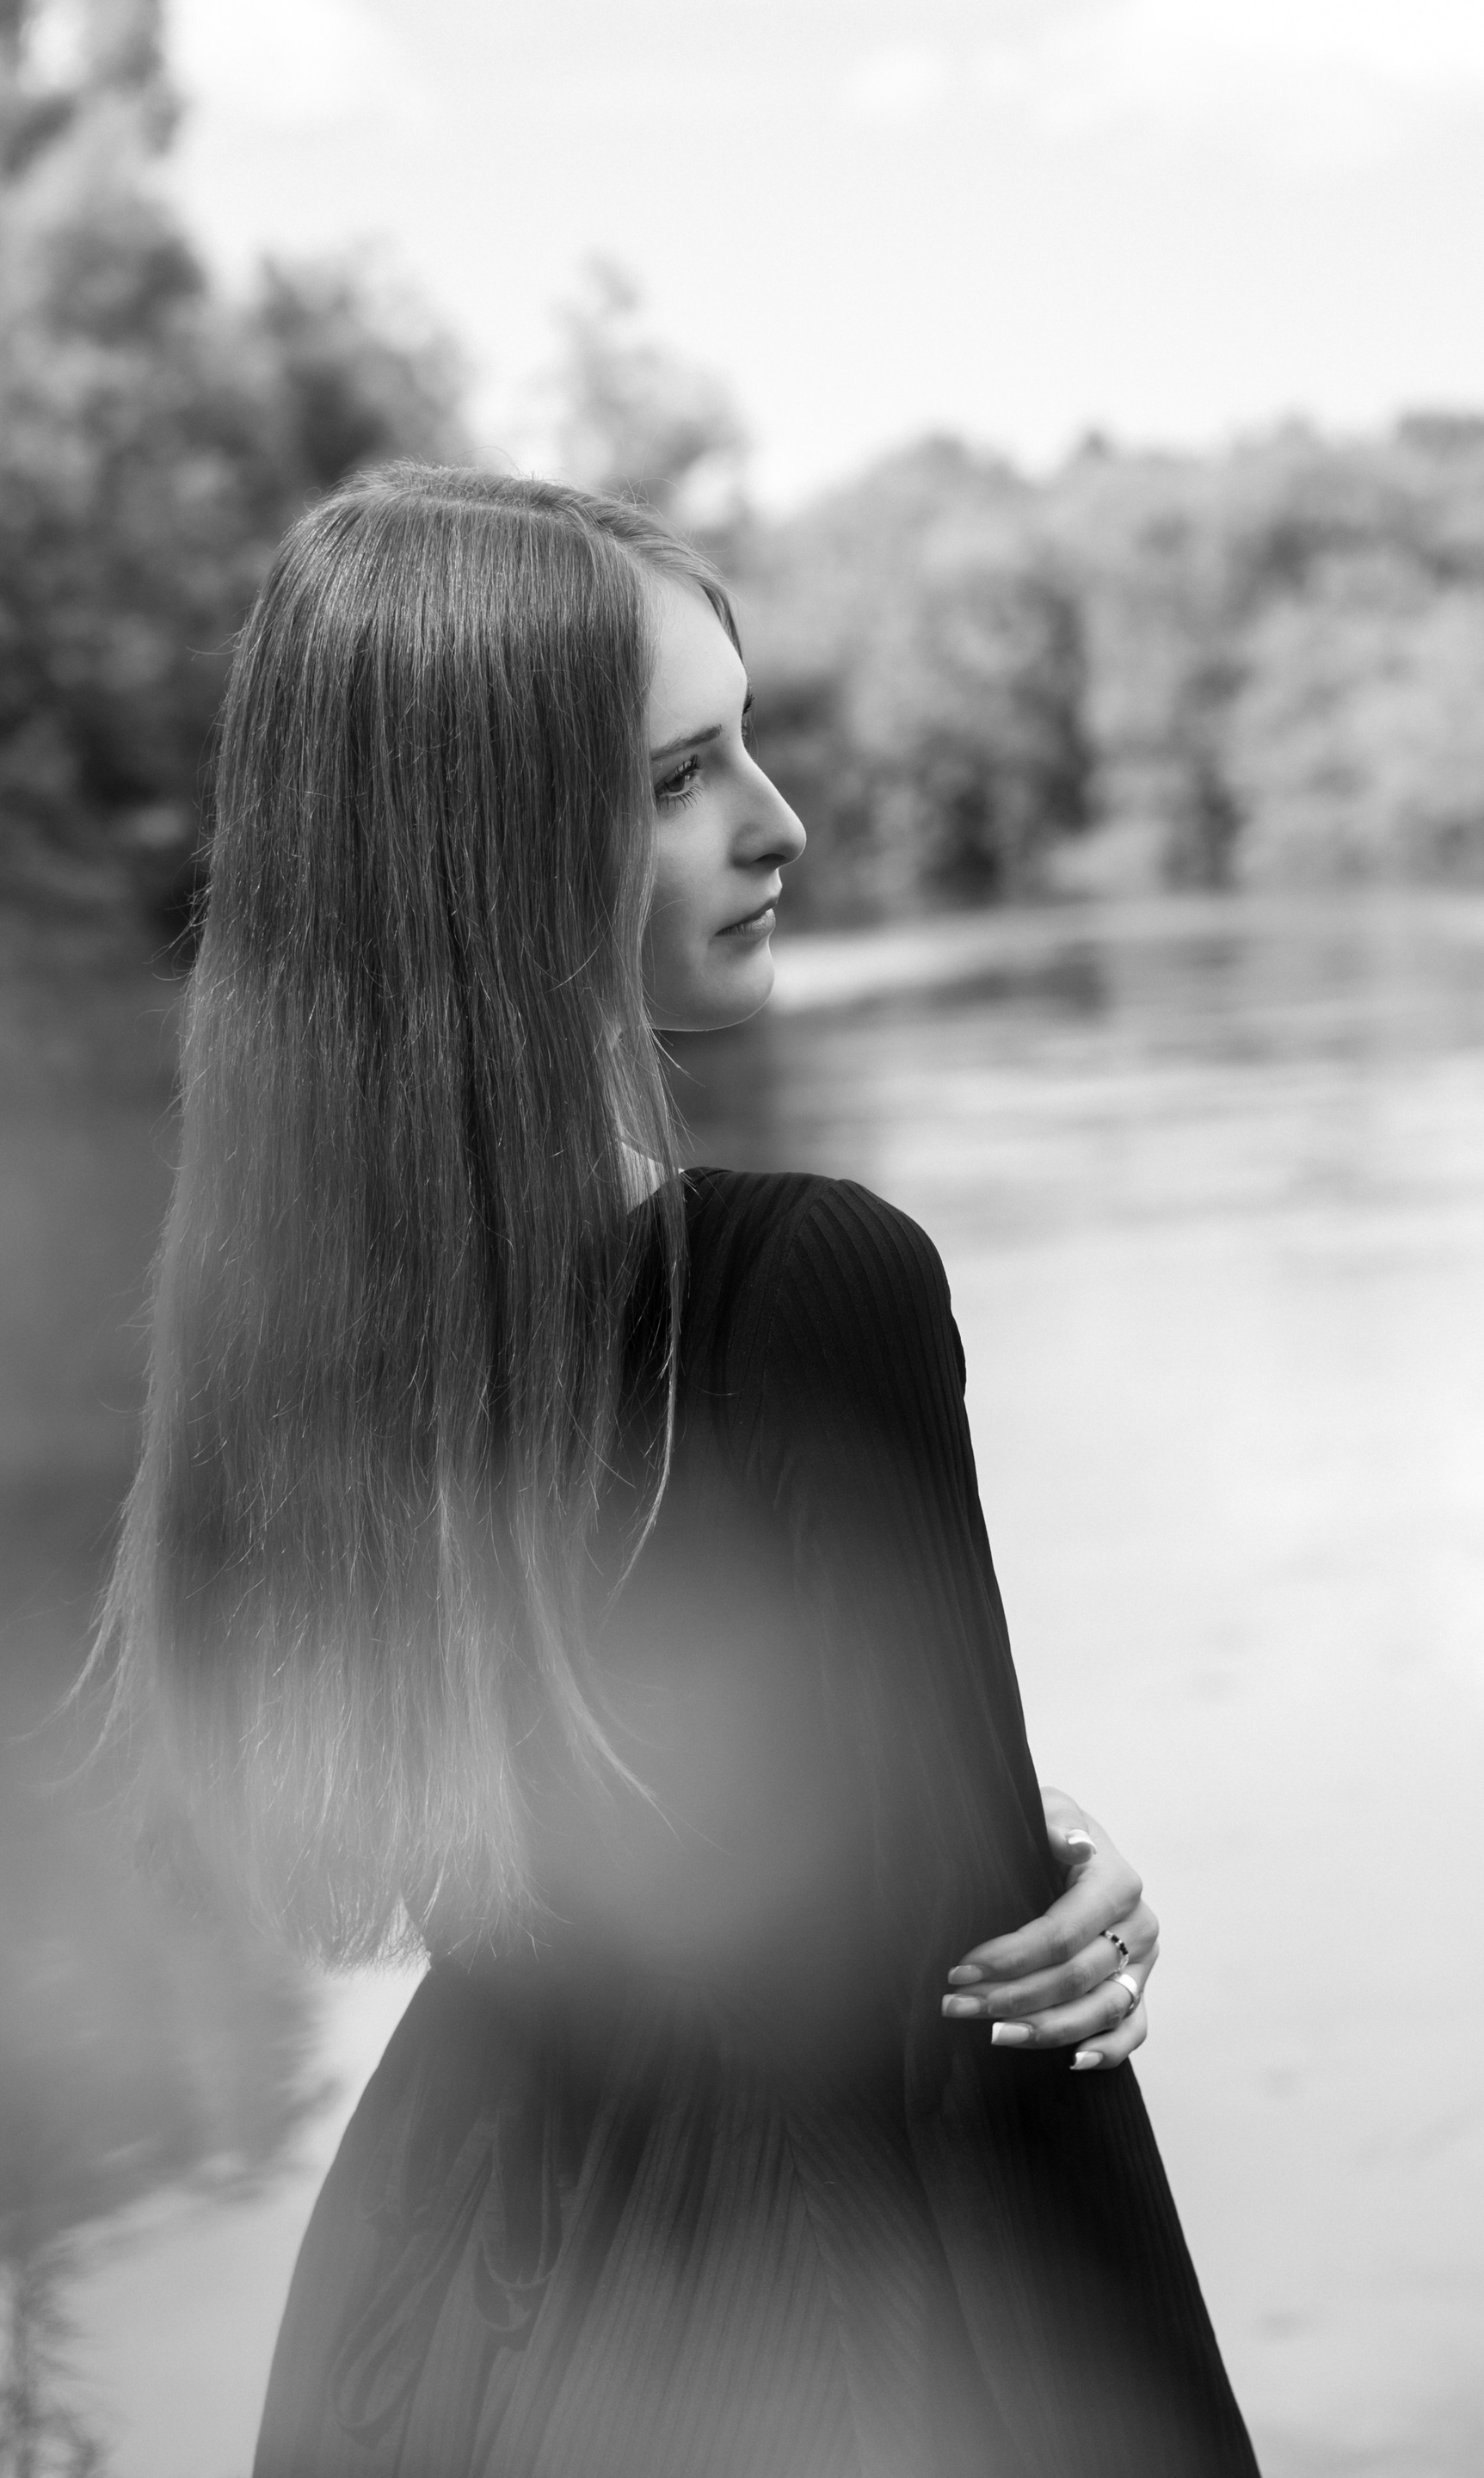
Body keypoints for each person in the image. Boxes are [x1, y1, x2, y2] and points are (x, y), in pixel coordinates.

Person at [93, 466, 1259, 2475]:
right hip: (758, 2350)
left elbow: (577, 1821)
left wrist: (985, 1802)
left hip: (418, 2324)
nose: (779, 822)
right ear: (490, 854)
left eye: (749, 742)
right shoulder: (806, 1286)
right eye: (679, 778)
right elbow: (965, 2059)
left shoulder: (295, 1336)